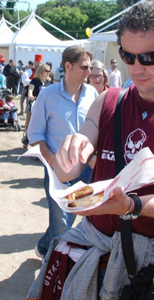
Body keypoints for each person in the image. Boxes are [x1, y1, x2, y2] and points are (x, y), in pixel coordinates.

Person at [28, 0, 154, 299]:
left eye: (150, 57)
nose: (137, 68)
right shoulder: (109, 100)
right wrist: (73, 146)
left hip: (153, 264)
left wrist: (132, 206)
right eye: (128, 56)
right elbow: (72, 167)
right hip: (95, 248)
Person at [27, 46, 98, 258]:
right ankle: (56, 273)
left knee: (71, 216)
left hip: (86, 170)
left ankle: (43, 245)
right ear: (68, 66)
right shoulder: (47, 95)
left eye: (91, 67)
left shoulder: (93, 94)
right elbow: (35, 135)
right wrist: (53, 164)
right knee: (62, 226)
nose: (89, 72)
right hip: (57, 171)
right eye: (84, 67)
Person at [22, 63, 53, 148]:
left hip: (46, 105)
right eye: (46, 71)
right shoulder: (35, 80)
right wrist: (30, 96)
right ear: (41, 71)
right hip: (34, 104)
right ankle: (26, 140)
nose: (48, 73)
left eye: (49, 71)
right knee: (30, 123)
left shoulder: (48, 81)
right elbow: (30, 90)